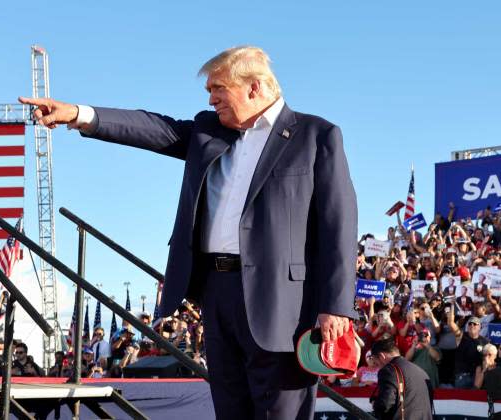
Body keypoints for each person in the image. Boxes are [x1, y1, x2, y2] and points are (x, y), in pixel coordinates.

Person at [20, 45, 358, 419]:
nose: (212, 99)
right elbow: (152, 128)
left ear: (254, 87)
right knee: (230, 411)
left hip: (282, 304)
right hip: (217, 293)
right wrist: (80, 114)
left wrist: (336, 306)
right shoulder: (207, 130)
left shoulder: (316, 135)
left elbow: (337, 225)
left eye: (218, 88)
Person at [370, 338, 433, 420]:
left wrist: (375, 404)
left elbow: (384, 405)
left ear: (382, 356)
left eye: (376, 363)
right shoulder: (422, 372)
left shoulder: (389, 370)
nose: (377, 367)